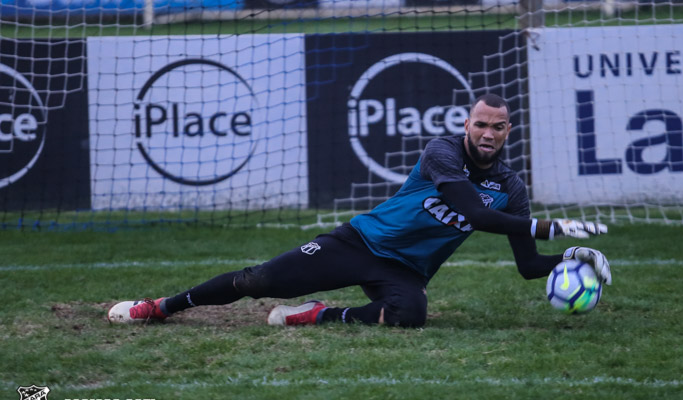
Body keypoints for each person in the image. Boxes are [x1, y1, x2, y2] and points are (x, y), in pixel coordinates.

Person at [108, 93, 611, 328]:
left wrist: (574, 255)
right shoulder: (443, 152)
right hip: (359, 242)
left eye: (497, 127)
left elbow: (527, 267)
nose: (486, 133)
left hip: (405, 268)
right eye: (480, 123)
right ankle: (160, 307)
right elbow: (473, 214)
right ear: (466, 125)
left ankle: (320, 316)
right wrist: (552, 225)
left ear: (507, 132)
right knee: (258, 281)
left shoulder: (511, 189)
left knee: (410, 315)